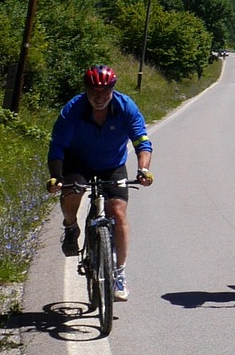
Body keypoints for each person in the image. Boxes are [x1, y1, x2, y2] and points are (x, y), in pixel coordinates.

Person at [46, 65, 153, 302]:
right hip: (79, 161)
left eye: (105, 91)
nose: (99, 97)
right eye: (93, 91)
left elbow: (142, 141)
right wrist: (56, 177)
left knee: (118, 212)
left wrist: (143, 169)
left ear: (113, 90)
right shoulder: (73, 109)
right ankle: (71, 227)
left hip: (112, 163)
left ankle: (120, 273)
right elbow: (57, 147)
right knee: (73, 192)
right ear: (86, 90)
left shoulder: (126, 108)